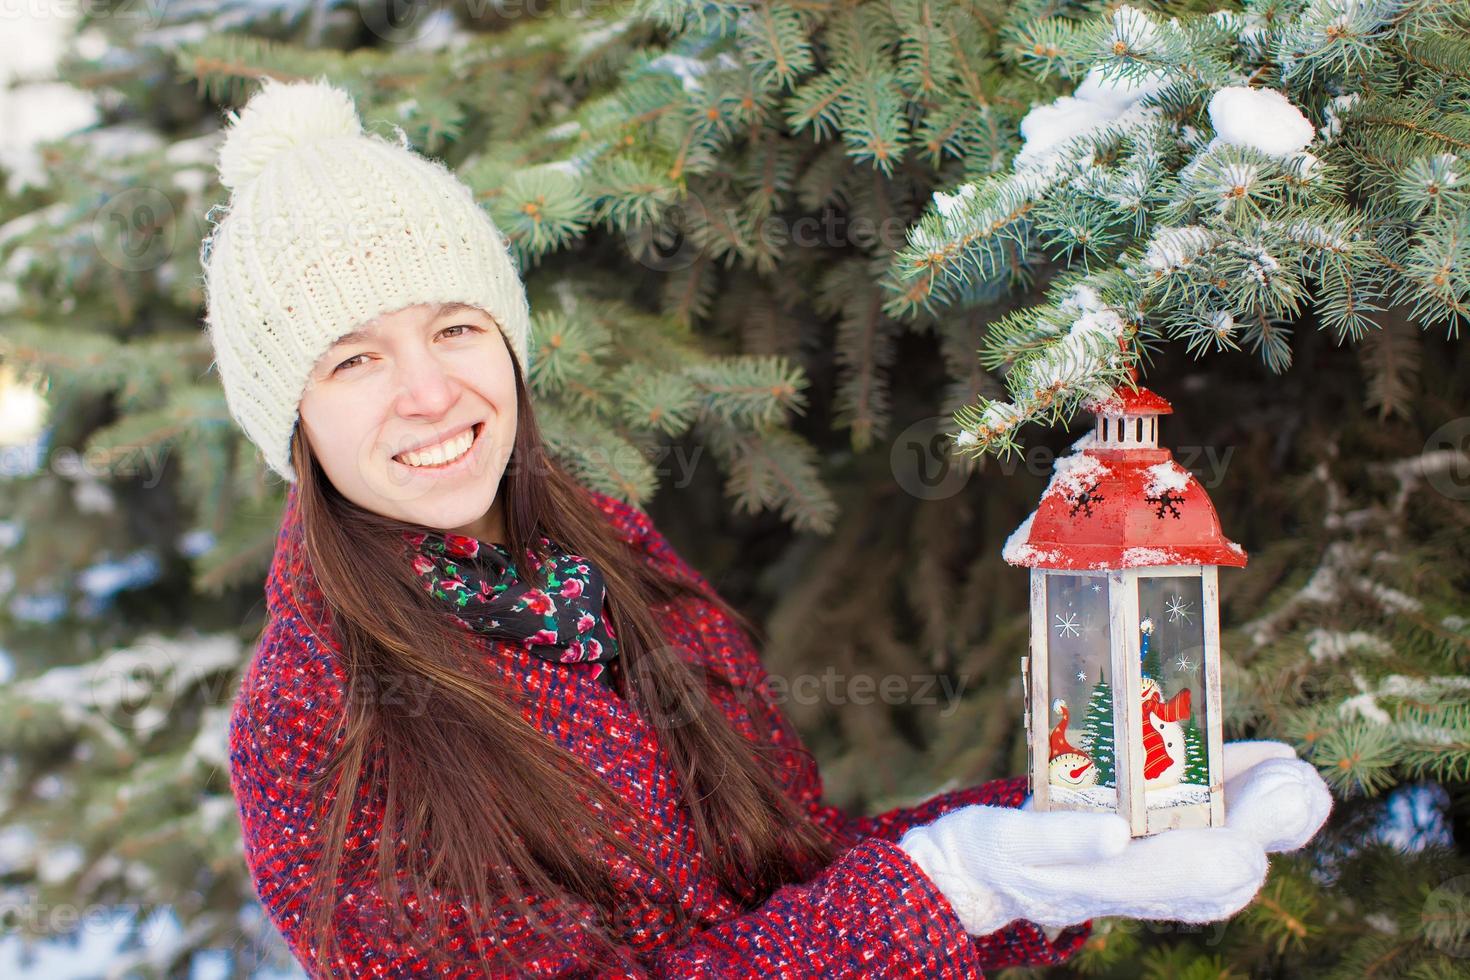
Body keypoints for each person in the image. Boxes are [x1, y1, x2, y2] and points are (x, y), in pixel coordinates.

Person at [203, 77, 1333, 979]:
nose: (428, 390)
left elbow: (782, 891)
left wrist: (1064, 836)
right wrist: (952, 886)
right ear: (290, 417)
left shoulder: (607, 559)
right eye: (354, 358)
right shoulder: (312, 722)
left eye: (453, 325)